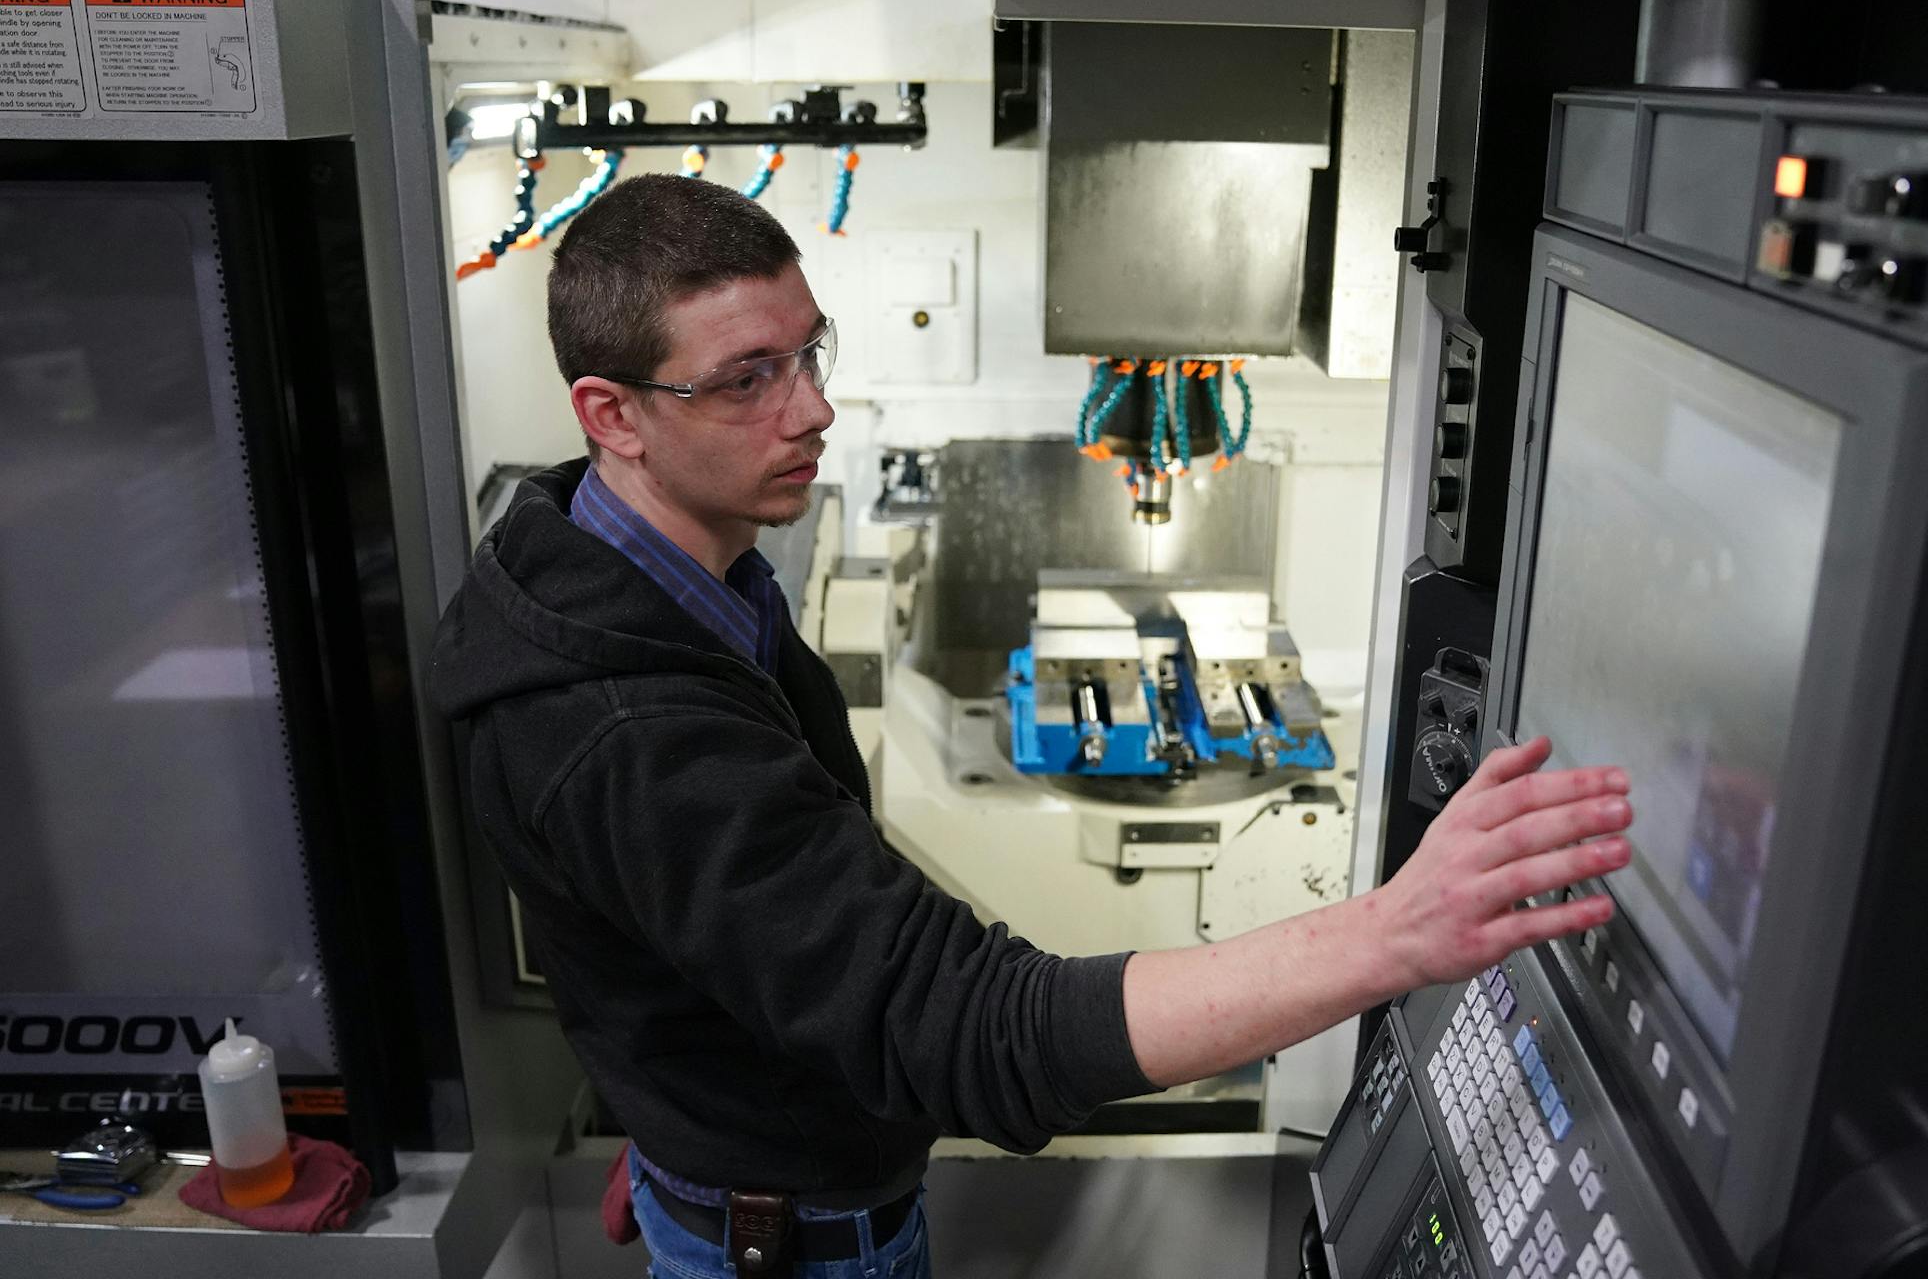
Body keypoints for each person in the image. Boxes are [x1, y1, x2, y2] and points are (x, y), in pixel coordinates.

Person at [430, 175, 1631, 1279]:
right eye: (748, 378)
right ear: (614, 414)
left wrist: (680, 1108)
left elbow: (653, 920)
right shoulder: (622, 722)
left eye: (809, 354)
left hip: (751, 1186)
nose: (816, 410)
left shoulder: (641, 572)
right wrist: (1395, 933)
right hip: (799, 1248)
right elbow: (968, 1028)